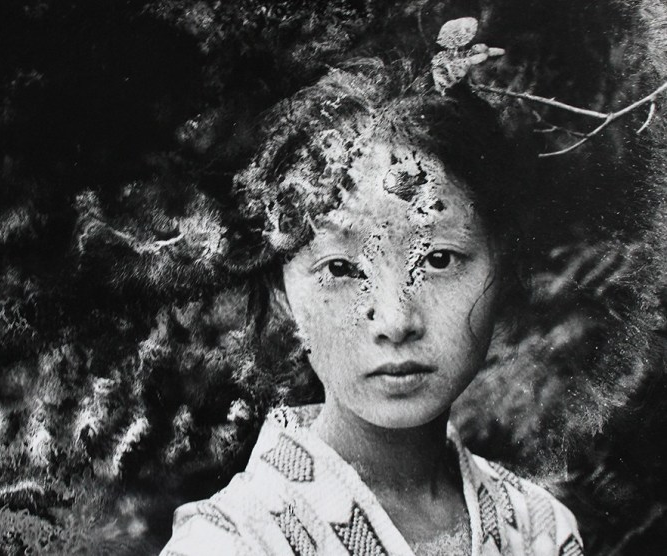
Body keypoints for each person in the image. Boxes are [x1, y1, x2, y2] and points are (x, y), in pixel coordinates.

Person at [160, 57, 584, 555]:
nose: (395, 320)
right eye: (340, 270)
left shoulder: (540, 528)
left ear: (501, 265)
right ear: (282, 291)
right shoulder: (226, 543)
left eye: (438, 258)